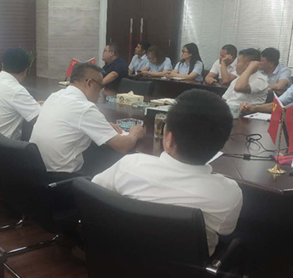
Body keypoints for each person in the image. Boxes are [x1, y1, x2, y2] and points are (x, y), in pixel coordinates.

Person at [93, 89, 242, 256]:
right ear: (220, 145)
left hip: (123, 257)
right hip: (183, 269)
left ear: (169, 139)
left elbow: (95, 192)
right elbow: (226, 230)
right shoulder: (228, 194)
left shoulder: (129, 166)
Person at [30, 62, 144, 177]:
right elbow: (122, 146)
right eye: (100, 87)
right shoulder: (84, 107)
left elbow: (70, 120)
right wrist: (135, 133)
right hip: (61, 178)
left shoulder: (55, 96)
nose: (100, 93)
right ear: (89, 83)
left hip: (36, 170)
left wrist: (102, 124)